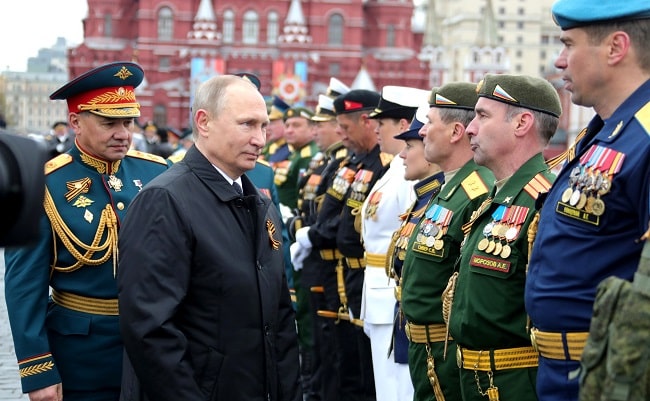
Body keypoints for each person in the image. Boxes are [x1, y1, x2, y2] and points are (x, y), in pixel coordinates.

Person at [117, 75, 301, 401]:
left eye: (264, 126)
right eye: (247, 124)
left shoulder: (261, 205)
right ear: (204, 122)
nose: (260, 139)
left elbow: (280, 320)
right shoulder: (165, 201)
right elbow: (151, 331)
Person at [3, 61, 169, 401]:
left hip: (155, 353)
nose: (123, 133)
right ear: (76, 122)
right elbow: (23, 287)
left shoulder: (158, 174)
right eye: (110, 122)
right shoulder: (47, 182)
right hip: (83, 359)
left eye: (128, 121)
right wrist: (38, 372)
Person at [525, 2, 650, 400]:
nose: (559, 62)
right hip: (566, 373)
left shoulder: (643, 138)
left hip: (613, 378)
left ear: (615, 48)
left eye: (568, 45)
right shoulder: (605, 133)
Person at [448, 74, 562, 401]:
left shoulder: (543, 202)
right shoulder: (495, 201)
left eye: (482, 116)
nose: (470, 128)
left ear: (522, 123)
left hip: (515, 385)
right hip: (473, 380)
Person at [399, 82, 494, 401]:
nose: (422, 131)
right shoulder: (450, 189)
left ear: (456, 131)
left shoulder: (475, 191)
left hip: (447, 354)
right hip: (427, 350)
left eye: (429, 122)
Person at [292, 89, 387, 401]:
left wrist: (314, 235)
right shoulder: (353, 163)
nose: (342, 136)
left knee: (357, 370)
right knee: (336, 357)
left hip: (359, 274)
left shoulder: (383, 165)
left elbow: (356, 223)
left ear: (366, 121)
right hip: (338, 273)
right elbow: (333, 210)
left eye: (345, 128)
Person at [362, 85, 429, 401]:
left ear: (405, 126)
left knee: (398, 390)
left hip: (393, 296)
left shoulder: (408, 174)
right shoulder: (393, 169)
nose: (375, 129)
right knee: (386, 388)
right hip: (378, 293)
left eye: (383, 123)